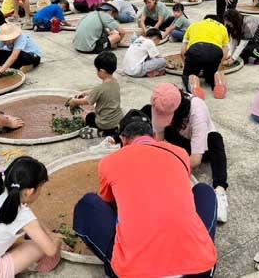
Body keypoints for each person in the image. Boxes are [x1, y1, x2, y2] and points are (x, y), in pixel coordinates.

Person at [73, 120, 218, 278]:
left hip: (135, 273)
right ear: (154, 137)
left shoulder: (108, 162)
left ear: (123, 140)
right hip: (199, 271)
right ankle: (198, 250)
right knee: (204, 190)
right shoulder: (180, 153)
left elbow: (107, 202)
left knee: (88, 204)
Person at [145, 83, 229, 223]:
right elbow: (158, 140)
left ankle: (220, 190)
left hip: (204, 147)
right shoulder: (158, 103)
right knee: (145, 114)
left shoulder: (197, 110)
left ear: (178, 109)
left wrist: (171, 171)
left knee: (216, 139)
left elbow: (196, 159)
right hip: (182, 140)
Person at [68, 51, 124, 149]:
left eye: (97, 70)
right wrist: (85, 92)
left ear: (101, 71)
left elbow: (87, 102)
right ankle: (111, 131)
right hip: (118, 120)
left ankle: (101, 132)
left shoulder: (100, 89)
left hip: (104, 123)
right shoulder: (115, 82)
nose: (96, 72)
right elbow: (98, 91)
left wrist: (73, 102)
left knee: (89, 116)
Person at [181, 15, 229, 99]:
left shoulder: (193, 25)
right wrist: (218, 67)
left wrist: (187, 65)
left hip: (196, 50)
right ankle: (217, 80)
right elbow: (225, 50)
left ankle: (193, 82)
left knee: (188, 74)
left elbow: (183, 51)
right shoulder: (222, 28)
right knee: (210, 74)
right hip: (215, 52)